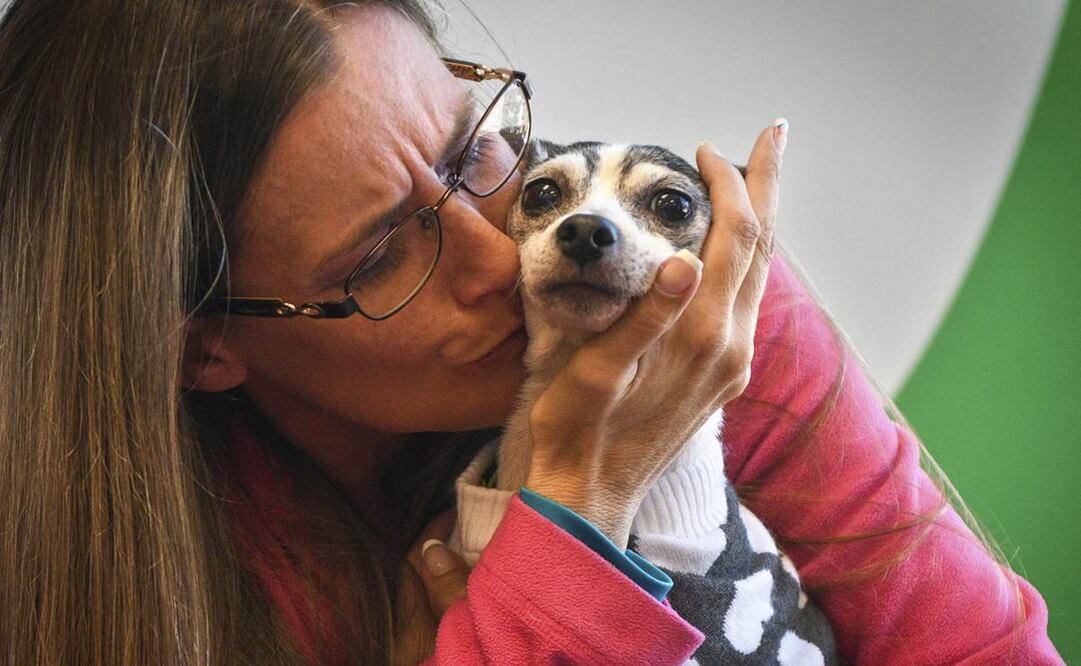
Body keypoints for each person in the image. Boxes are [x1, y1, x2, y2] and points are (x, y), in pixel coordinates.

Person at [0, 1, 1063, 664]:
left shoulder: (676, 286)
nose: (500, 256)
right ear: (199, 347)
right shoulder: (124, 568)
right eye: (379, 256)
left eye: (475, 156)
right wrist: (579, 502)